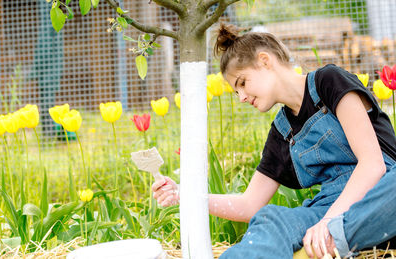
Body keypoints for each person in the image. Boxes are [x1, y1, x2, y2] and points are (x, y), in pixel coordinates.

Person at [152, 23, 396, 258]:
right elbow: (249, 205)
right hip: (329, 208)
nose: (241, 98)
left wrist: (329, 224)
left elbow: (373, 165)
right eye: (236, 92)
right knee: (271, 220)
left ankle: (331, 242)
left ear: (265, 61)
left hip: (382, 193)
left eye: (242, 83)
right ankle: (332, 242)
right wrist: (185, 195)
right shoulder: (282, 133)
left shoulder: (328, 82)